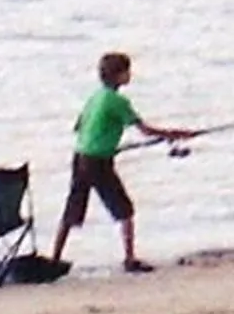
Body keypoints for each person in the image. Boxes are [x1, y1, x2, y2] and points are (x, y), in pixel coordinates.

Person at [50, 52, 195, 273]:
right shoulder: (117, 101)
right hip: (98, 162)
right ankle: (129, 259)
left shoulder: (95, 97)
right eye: (127, 71)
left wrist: (107, 143)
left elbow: (79, 128)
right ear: (119, 76)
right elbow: (145, 130)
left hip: (80, 157)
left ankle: (54, 259)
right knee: (124, 210)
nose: (130, 74)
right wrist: (175, 134)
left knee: (72, 210)